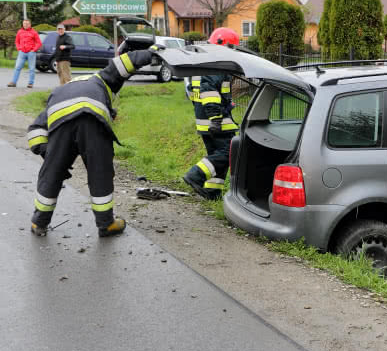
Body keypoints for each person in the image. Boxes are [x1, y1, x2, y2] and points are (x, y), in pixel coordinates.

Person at [27, 48, 155, 237]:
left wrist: (49, 153)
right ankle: (106, 224)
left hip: (61, 121)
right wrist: (151, 54)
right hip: (92, 119)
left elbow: (35, 129)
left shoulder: (58, 92)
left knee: (51, 173)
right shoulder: (101, 79)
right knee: (99, 171)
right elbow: (123, 64)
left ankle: (39, 223)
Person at [182, 27, 239, 200]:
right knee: (230, 151)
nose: (233, 53)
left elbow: (194, 94)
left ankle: (212, 191)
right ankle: (196, 175)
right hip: (216, 121)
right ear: (224, 46)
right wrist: (215, 117)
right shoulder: (216, 64)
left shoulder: (202, 64)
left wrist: (225, 106)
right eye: (232, 48)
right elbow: (209, 92)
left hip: (204, 121)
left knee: (217, 156)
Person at [8, 19, 42, 88]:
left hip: (31, 53)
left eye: (27, 24)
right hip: (22, 53)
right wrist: (19, 48)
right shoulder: (19, 32)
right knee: (17, 67)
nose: (25, 25)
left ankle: (30, 83)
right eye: (24, 24)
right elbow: (17, 41)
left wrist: (34, 50)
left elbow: (39, 43)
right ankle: (13, 82)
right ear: (23, 24)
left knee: (31, 69)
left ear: (30, 24)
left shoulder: (34, 32)